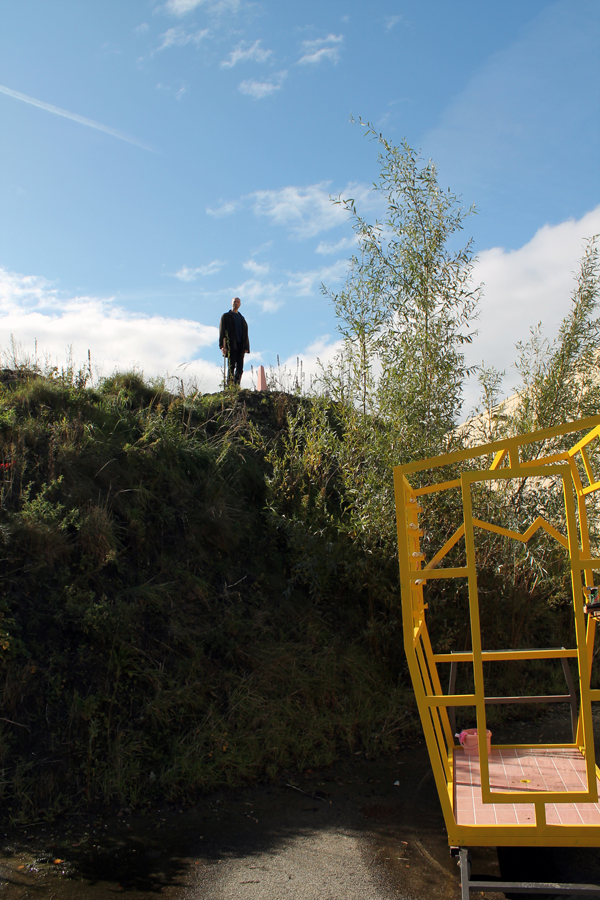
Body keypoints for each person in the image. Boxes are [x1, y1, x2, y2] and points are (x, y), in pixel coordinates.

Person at [219, 296, 249, 386]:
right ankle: (230, 386)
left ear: (240, 304)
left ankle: (236, 386)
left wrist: (246, 347)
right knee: (231, 366)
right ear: (232, 303)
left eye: (238, 302)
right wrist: (222, 346)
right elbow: (222, 331)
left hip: (241, 345)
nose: (236, 303)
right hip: (231, 345)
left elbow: (245, 333)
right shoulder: (226, 316)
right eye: (235, 301)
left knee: (240, 367)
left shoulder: (242, 319)